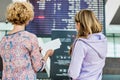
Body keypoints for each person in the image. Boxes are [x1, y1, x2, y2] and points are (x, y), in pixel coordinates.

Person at [0, 2, 54, 80]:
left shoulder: (4, 39)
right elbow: (38, 67)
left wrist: (35, 52)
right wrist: (47, 54)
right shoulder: (30, 38)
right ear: (28, 17)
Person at [68, 10, 107, 80]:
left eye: (75, 23)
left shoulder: (81, 43)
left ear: (79, 24)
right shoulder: (103, 40)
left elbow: (74, 73)